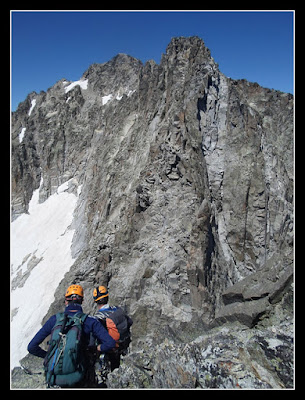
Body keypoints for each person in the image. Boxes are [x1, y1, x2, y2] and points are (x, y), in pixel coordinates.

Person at [27, 284, 116, 387]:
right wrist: (97, 348)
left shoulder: (54, 320)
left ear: (66, 301)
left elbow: (31, 347)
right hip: (81, 376)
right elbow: (110, 343)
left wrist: (49, 356)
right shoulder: (89, 321)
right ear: (82, 301)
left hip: (55, 377)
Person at [92, 285, 133, 385]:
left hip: (111, 350)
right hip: (124, 345)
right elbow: (130, 322)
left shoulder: (98, 318)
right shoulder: (117, 309)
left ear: (95, 300)